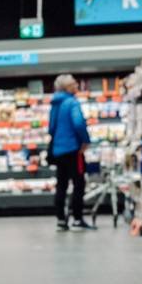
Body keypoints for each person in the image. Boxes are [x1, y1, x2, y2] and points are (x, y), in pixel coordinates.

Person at [49, 74, 95, 231]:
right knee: (79, 184)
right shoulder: (72, 102)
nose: (77, 85)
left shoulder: (55, 103)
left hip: (58, 150)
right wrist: (85, 141)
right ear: (67, 87)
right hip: (73, 149)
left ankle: (61, 220)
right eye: (74, 83)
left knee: (61, 185)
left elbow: (51, 128)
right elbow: (79, 124)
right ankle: (77, 219)